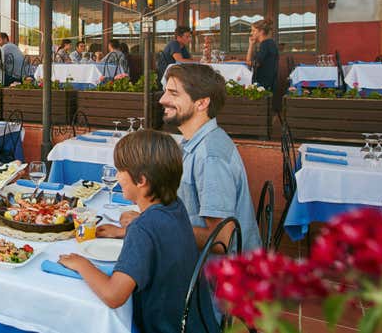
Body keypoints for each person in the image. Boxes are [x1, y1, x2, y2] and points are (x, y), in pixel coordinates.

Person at [59, 131, 218, 333]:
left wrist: (82, 264)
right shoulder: (175, 206)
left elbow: (114, 296)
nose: (117, 177)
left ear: (141, 180)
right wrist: (124, 231)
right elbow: (160, 236)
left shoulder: (142, 228)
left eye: (120, 171)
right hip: (197, 324)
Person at [155, 63, 260, 250]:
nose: (162, 99)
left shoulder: (210, 156)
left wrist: (154, 226)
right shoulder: (195, 141)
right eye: (165, 92)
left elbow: (221, 241)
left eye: (173, 93)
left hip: (213, 267)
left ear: (202, 103)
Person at [246, 19, 279, 94]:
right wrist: (251, 44)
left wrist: (250, 45)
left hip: (263, 85)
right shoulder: (269, 43)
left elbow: (250, 63)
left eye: (253, 31)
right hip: (269, 83)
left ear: (261, 32)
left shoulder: (265, 45)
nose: (251, 33)